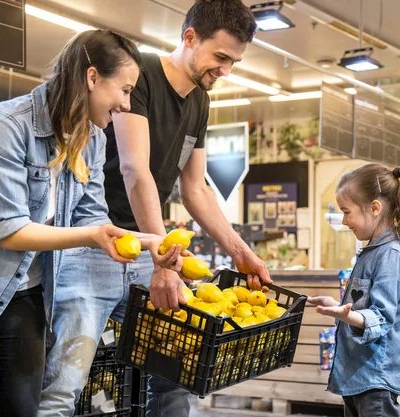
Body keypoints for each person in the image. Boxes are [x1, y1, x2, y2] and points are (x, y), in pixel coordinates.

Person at [39, 1, 272, 416]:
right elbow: (135, 169)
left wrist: (240, 250)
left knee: (176, 376)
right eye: (220, 57)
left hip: (150, 252)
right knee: (64, 386)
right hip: (94, 247)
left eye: (234, 61)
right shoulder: (139, 74)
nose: (226, 70)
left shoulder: (200, 101)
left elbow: (195, 189)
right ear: (189, 38)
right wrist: (164, 262)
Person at [0, 29, 148, 417]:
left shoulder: (92, 139)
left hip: (29, 291)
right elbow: (10, 230)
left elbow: (92, 216)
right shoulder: (5, 125)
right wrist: (92, 236)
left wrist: (151, 243)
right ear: (92, 78)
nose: (126, 104)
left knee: (25, 406)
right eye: (124, 90)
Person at [308, 164, 400, 417]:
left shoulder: (392, 255)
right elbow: (364, 306)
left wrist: (343, 315)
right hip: (358, 375)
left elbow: (381, 317)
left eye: (346, 212)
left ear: (374, 208)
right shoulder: (372, 251)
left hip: (376, 378)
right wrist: (336, 305)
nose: (343, 221)